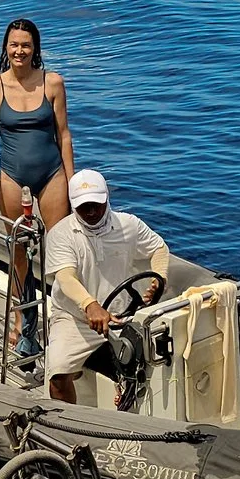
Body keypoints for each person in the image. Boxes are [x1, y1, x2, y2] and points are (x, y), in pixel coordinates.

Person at [0, 19, 74, 353]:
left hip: (52, 174)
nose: (19, 51)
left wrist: (72, 182)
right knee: (18, 251)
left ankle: (63, 318)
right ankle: (24, 320)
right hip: (13, 176)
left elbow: (63, 134)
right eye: (14, 45)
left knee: (60, 248)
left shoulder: (53, 83)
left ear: (36, 49)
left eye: (26, 45)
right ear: (6, 47)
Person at [41, 170, 169, 405]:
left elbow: (159, 248)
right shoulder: (60, 234)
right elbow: (66, 277)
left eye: (96, 204)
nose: (91, 212)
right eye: (83, 206)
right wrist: (90, 305)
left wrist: (159, 279)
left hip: (123, 317)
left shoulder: (129, 225)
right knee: (58, 376)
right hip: (74, 318)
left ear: (107, 198)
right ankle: (68, 425)